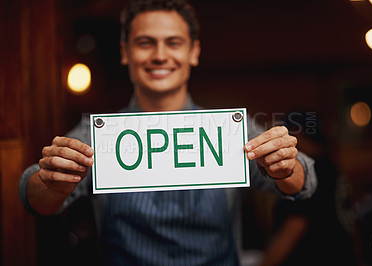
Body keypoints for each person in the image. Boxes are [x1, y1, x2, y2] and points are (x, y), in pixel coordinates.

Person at [19, 0, 317, 265]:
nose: (160, 55)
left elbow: (307, 180)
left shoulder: (229, 127)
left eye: (173, 42)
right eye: (145, 42)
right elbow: (33, 196)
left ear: (193, 52)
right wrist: (51, 184)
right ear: (125, 52)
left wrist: (286, 168)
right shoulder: (99, 132)